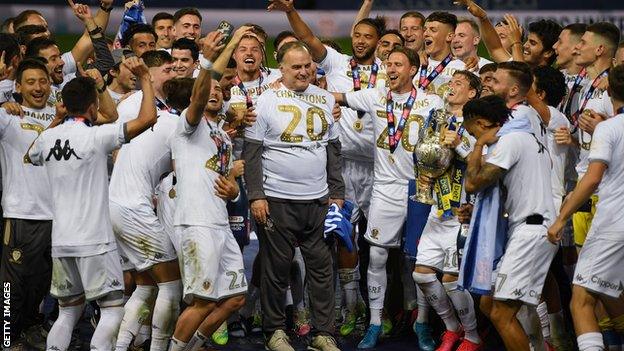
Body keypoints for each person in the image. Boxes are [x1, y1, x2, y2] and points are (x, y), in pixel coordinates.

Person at [270, 1, 389, 336]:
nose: (362, 40)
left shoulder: (388, 69)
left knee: (382, 248)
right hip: (342, 167)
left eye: (369, 36)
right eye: (358, 35)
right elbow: (306, 38)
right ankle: (347, 309)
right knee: (338, 240)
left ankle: (385, 311)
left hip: (381, 170)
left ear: (378, 41)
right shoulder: (337, 62)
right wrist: (290, 11)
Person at [27, 57, 156, 351]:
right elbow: (148, 119)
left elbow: (30, 154)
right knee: (112, 310)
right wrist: (146, 80)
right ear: (92, 108)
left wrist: (56, 119)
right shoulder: (97, 136)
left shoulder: (47, 138)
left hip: (61, 242)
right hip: (95, 241)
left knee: (67, 312)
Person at [333, 47, 444, 349]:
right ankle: (374, 322)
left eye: (398, 64)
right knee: (378, 255)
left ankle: (422, 324)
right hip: (384, 187)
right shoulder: (374, 96)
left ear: (412, 70)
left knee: (421, 259)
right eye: (388, 65)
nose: (391, 69)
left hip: (422, 188)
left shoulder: (432, 101)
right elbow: (336, 97)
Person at [244, 41, 344, 351]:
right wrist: (256, 196)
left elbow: (333, 150)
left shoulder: (327, 99)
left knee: (322, 269)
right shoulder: (263, 101)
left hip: (318, 200)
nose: (303, 71)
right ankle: (275, 332)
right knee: (277, 269)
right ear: (281, 69)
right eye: (296, 67)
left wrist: (337, 194)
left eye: (307, 66)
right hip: (276, 199)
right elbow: (252, 153)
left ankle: (324, 333)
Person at [462, 94, 557, 351]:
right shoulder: (526, 137)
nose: (473, 138)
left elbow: (473, 182)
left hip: (531, 233)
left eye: (473, 133)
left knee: (501, 313)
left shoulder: (509, 141)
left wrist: (479, 145)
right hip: (531, 228)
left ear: (481, 124)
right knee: (489, 302)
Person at [547, 64, 624, 351]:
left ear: (609, 90)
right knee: (612, 293)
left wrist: (561, 218)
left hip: (613, 222)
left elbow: (592, 178)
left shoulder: (609, 128)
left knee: (581, 300)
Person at [412, 70, 482, 351]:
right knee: (422, 274)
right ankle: (452, 329)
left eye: (459, 84)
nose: (451, 86)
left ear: (473, 93)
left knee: (452, 280)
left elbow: (485, 162)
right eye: (450, 82)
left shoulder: (477, 121)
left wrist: (461, 146)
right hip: (438, 208)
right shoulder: (435, 118)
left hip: (464, 210)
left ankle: (474, 336)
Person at [0, 58, 55, 348]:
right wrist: (2, 96)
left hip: (56, 216)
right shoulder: (7, 117)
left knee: (41, 283)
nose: (38, 87)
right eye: (30, 82)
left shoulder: (60, 113)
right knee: (12, 284)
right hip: (21, 212)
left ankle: (31, 327)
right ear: (18, 86)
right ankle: (7, 336)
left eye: (43, 81)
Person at [569, 22, 620, 250]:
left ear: (599, 50)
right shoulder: (589, 86)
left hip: (606, 194)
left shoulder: (615, 89)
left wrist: (602, 127)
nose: (576, 48)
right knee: (582, 273)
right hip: (584, 190)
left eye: (583, 43)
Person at [418, 11, 466, 98]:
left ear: (450, 36)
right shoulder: (415, 65)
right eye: (425, 30)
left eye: (433, 30)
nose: (425, 34)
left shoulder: (464, 69)